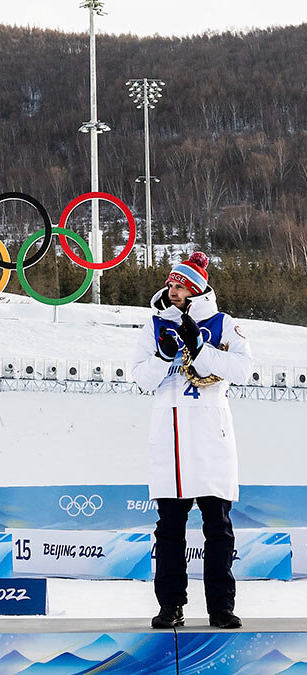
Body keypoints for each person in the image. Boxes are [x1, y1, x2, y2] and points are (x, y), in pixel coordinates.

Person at [130, 252, 251, 630]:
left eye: (179, 285)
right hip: (170, 440)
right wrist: (165, 357)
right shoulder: (153, 326)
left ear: (195, 289)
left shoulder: (224, 324)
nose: (171, 289)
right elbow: (140, 379)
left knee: (218, 528)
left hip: (211, 438)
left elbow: (244, 370)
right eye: (170, 283)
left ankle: (221, 607)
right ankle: (171, 606)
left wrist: (201, 350)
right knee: (169, 530)